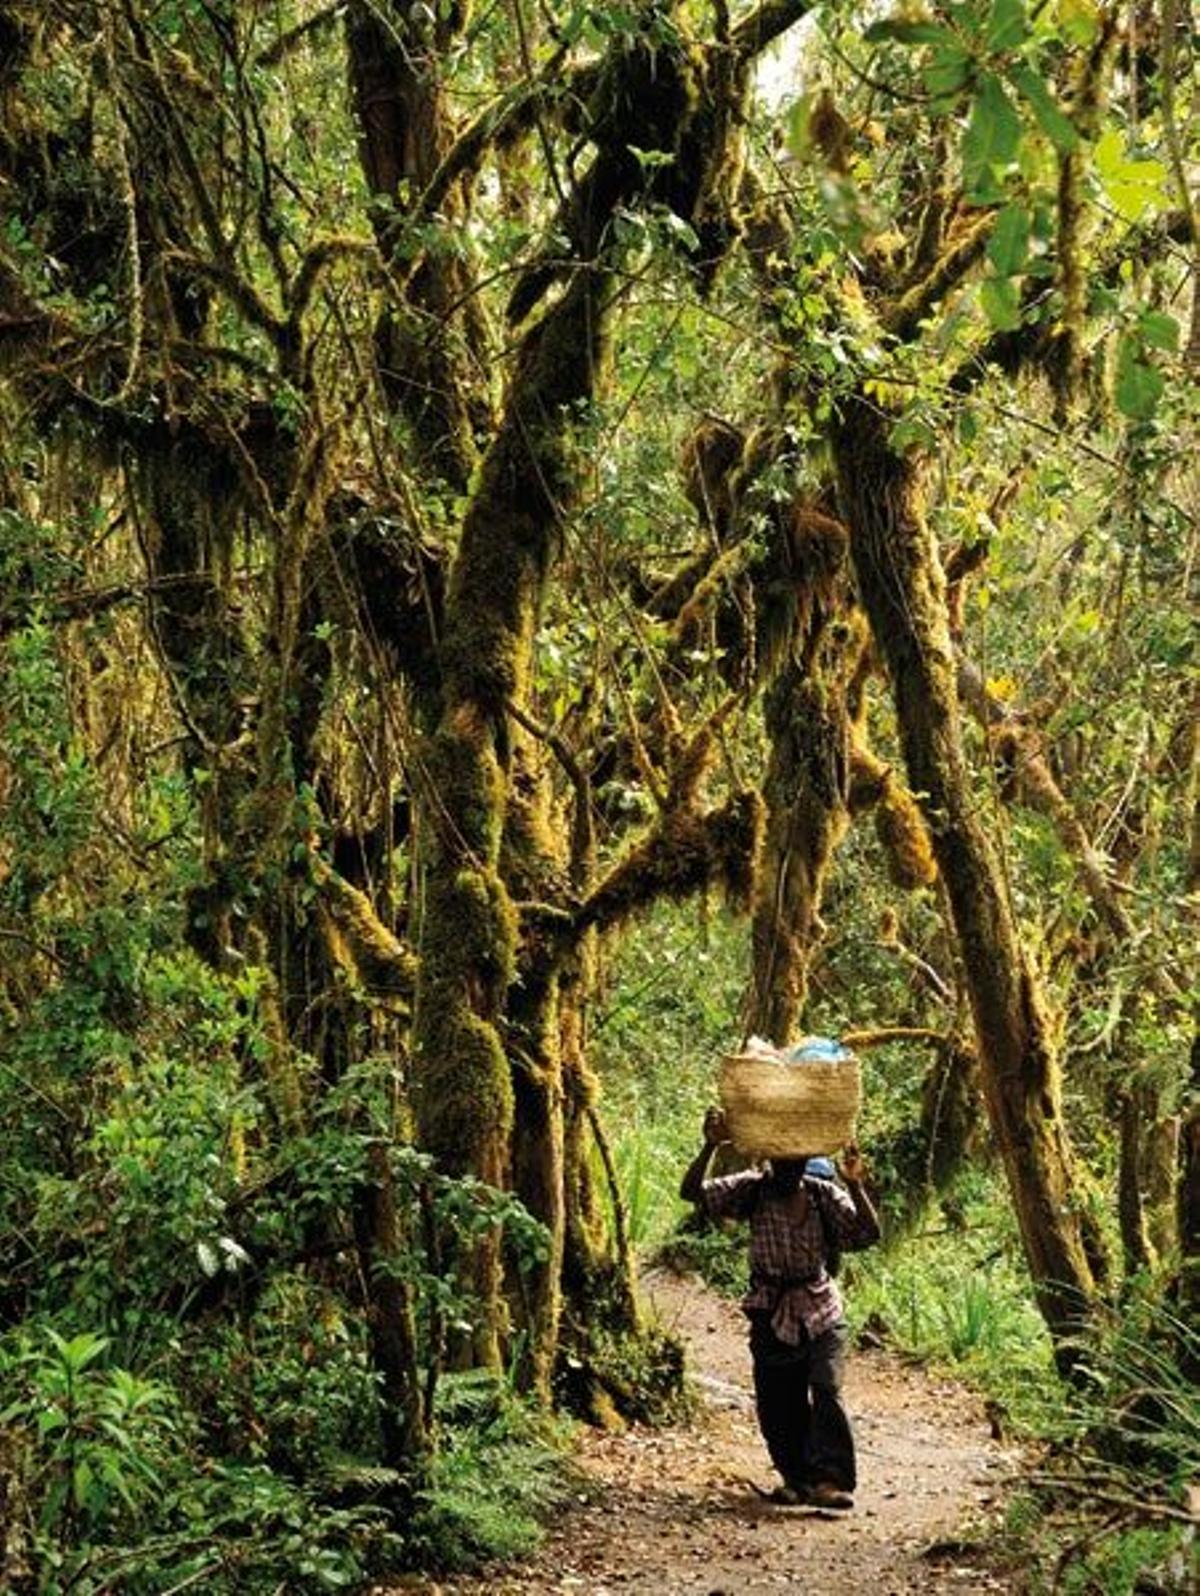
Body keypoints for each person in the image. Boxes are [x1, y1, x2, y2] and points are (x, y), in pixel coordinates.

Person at [680, 1106, 880, 1510]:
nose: (789, 1170)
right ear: (769, 1160)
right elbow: (692, 1193)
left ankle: (830, 1479)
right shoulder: (752, 1189)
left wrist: (856, 1185)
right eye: (782, 1162)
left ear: (807, 1162)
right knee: (778, 1399)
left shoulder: (823, 1195)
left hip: (820, 1306)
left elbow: (867, 1233)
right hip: (769, 1307)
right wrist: (709, 1146)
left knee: (826, 1385)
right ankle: (796, 1477)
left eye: (797, 1162)